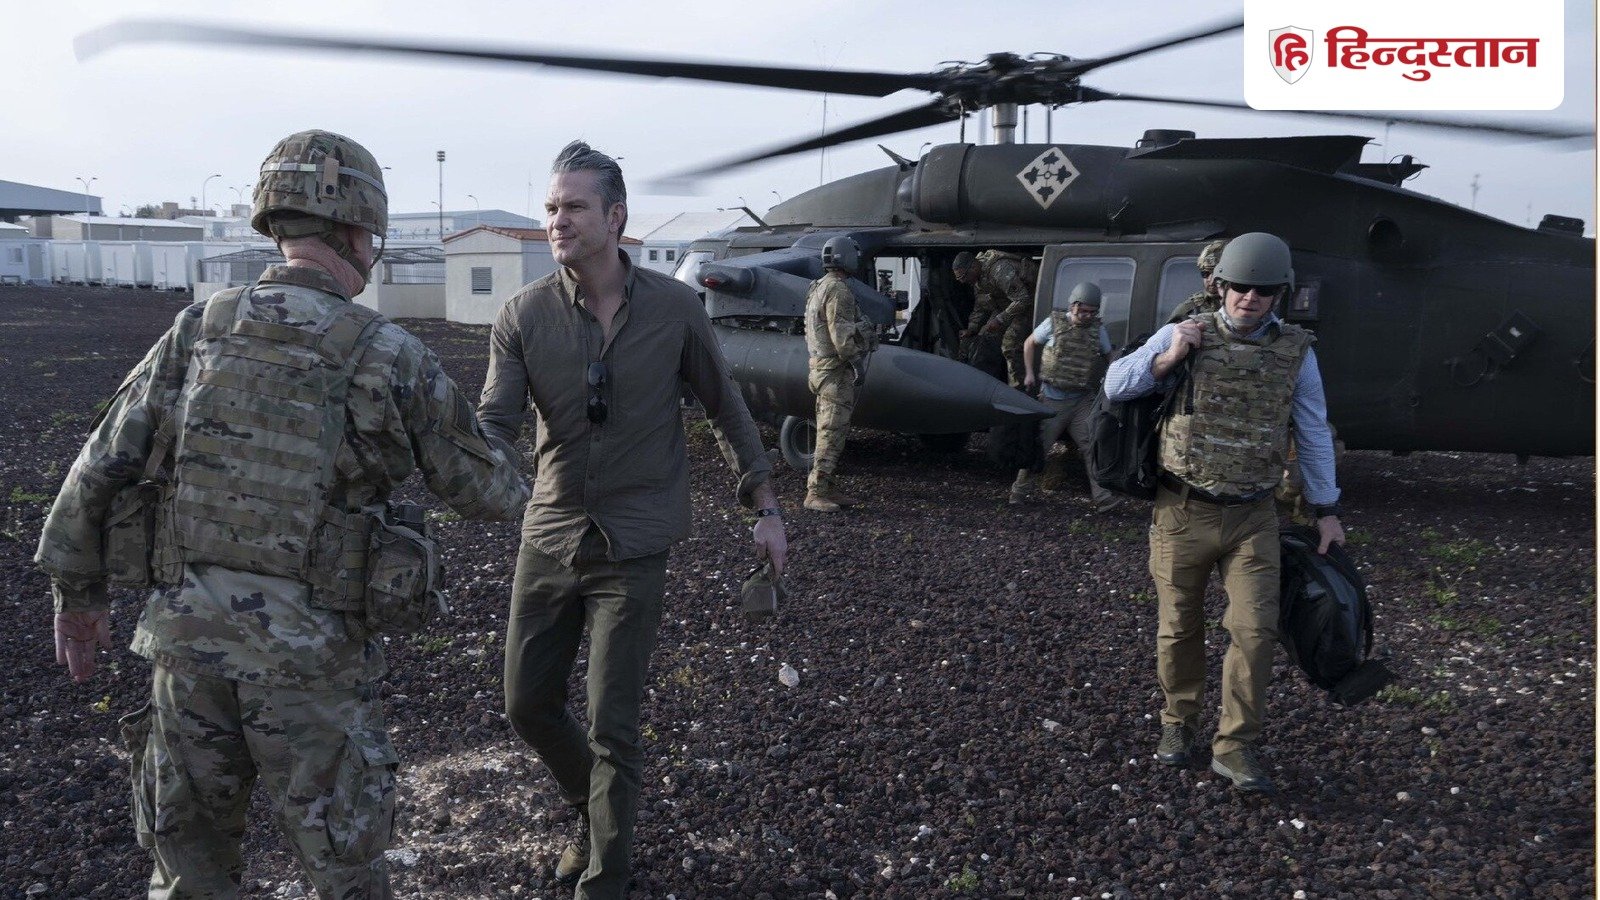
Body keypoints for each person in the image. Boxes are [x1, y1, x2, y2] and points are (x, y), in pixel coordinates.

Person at [35, 129, 531, 898]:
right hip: (310, 669)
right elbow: (485, 492)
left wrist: (77, 596)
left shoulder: (199, 328)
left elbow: (100, 464)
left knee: (188, 874)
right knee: (345, 876)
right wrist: (528, 452)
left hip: (187, 654)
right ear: (359, 231)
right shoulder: (386, 352)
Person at [479, 141, 788, 899]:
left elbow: (726, 407)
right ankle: (592, 812)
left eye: (573, 207)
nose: (557, 221)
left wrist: (766, 507)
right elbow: (494, 425)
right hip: (550, 535)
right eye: (551, 207)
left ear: (615, 217)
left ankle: (605, 879)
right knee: (526, 703)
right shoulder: (522, 315)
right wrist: (450, 461)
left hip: (636, 543)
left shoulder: (675, 310)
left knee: (612, 722)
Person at [1103, 232, 1344, 794]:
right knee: (1178, 628)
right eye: (1240, 287)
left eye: (1264, 290)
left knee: (1255, 632)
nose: (1250, 298)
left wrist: (1326, 509)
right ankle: (1178, 722)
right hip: (1182, 511)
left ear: (1279, 294)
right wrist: (1169, 356)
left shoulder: (1298, 353)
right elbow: (1115, 384)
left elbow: (1312, 432)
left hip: (1253, 517)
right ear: (1220, 286)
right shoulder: (1186, 331)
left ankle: (1235, 745)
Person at [1009, 282, 1119, 512]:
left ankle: (1103, 497)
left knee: (1091, 445)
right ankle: (1018, 491)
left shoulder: (1097, 331)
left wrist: (1113, 378)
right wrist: (1029, 373)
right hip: (1052, 399)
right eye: (1083, 311)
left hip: (1081, 400)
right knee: (1039, 447)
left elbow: (1109, 356)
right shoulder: (1054, 323)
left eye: (1092, 312)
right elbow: (1029, 343)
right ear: (1073, 306)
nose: (1087, 316)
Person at [803, 235, 878, 512]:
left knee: (831, 429)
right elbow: (842, 336)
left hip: (821, 368)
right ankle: (816, 493)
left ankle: (828, 487)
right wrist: (857, 362)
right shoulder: (838, 290)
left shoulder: (818, 286)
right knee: (831, 433)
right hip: (835, 372)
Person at [955, 248, 1038, 386]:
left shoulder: (999, 270)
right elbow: (981, 306)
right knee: (983, 339)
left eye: (964, 276)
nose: (963, 281)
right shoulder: (978, 279)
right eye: (960, 279)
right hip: (1007, 307)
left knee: (1009, 344)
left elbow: (1023, 299)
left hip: (1028, 306)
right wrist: (972, 329)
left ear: (974, 267)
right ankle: (986, 384)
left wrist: (999, 320)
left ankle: (1019, 388)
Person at [1166, 239, 1228, 324]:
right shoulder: (1190, 309)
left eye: (1217, 275)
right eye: (1205, 274)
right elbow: (1167, 331)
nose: (1211, 281)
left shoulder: (1241, 305)